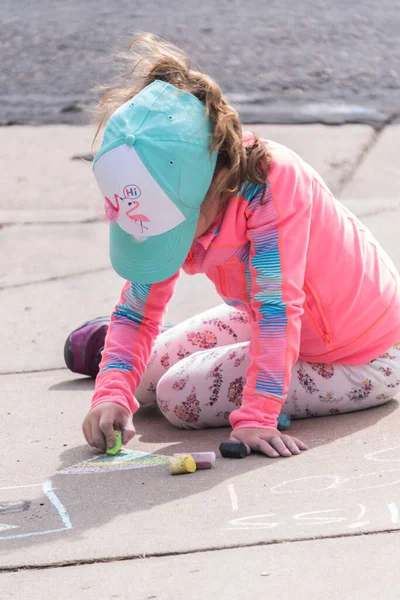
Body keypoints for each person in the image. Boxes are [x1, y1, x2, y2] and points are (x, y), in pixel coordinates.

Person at [65, 33, 400, 458]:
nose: (173, 242)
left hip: (358, 353)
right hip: (263, 312)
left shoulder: (269, 187)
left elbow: (278, 310)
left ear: (217, 183)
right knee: (138, 376)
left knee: (176, 396)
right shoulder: (174, 191)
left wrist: (258, 415)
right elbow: (137, 306)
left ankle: (225, 366)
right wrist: (110, 393)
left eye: (175, 233)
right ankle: (181, 351)